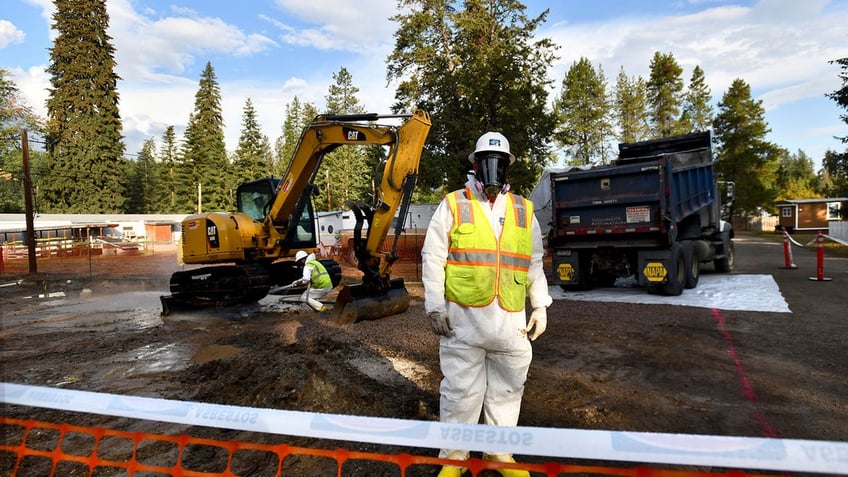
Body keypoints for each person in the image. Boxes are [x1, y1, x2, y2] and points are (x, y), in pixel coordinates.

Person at [421, 132, 552, 477]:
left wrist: (539, 306)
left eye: (499, 163)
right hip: (464, 319)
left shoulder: (524, 210)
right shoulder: (453, 204)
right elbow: (433, 256)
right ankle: (454, 458)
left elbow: (534, 262)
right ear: (475, 165)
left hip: (511, 322)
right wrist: (435, 306)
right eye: (486, 162)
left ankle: (498, 455)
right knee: (460, 391)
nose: (492, 170)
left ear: (508, 166)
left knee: (508, 391)